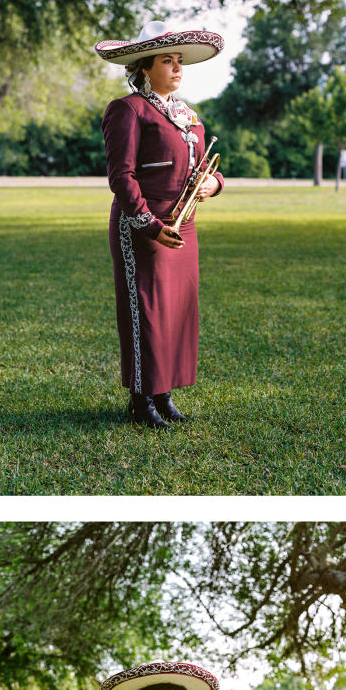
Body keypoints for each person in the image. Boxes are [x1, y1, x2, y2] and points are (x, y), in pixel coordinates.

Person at [94, 22, 225, 429]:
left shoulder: (189, 114)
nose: (177, 67)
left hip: (184, 225)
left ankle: (164, 394)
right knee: (146, 311)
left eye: (179, 60)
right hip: (142, 225)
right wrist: (149, 224)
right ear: (145, 67)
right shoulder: (128, 109)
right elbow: (121, 176)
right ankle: (140, 400)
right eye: (167, 60)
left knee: (176, 312)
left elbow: (207, 167)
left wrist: (214, 183)